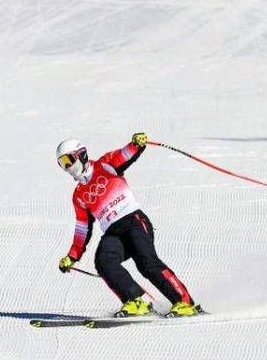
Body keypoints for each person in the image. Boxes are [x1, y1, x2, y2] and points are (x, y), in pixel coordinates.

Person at [55, 133, 201, 318]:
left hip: (134, 221)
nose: (67, 167)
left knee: (146, 263)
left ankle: (184, 302)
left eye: (68, 160)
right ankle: (135, 301)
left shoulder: (104, 166)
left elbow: (123, 155)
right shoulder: (78, 195)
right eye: (62, 164)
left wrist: (135, 145)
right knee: (104, 261)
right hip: (113, 232)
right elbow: (82, 227)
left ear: (81, 154)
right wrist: (72, 256)